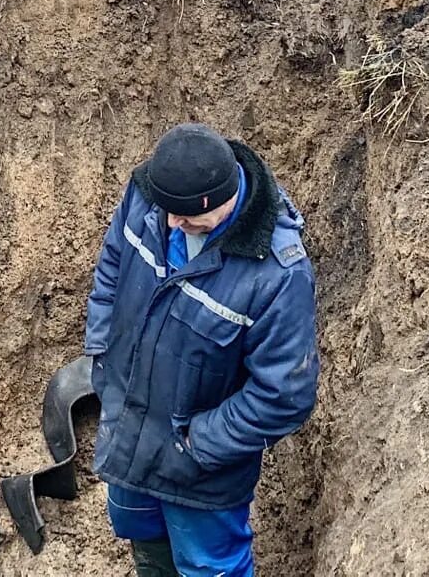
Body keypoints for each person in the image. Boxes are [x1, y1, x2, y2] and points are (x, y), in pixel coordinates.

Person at [84, 123, 318, 577]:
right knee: (140, 531)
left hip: (200, 467)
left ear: (220, 201)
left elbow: (284, 394)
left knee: (208, 566)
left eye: (186, 217)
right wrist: (101, 356)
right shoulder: (151, 195)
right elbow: (111, 268)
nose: (172, 222)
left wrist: (198, 442)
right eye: (167, 210)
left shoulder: (277, 275)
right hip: (130, 429)